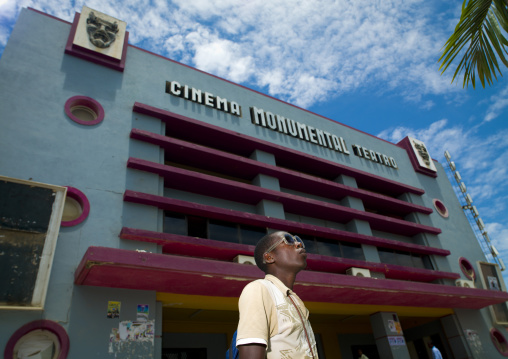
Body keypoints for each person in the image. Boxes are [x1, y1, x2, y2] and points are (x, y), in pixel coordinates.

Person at [236, 231, 318, 358]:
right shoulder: (258, 289)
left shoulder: (295, 300)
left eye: (298, 240)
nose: (298, 244)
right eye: (288, 240)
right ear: (269, 257)